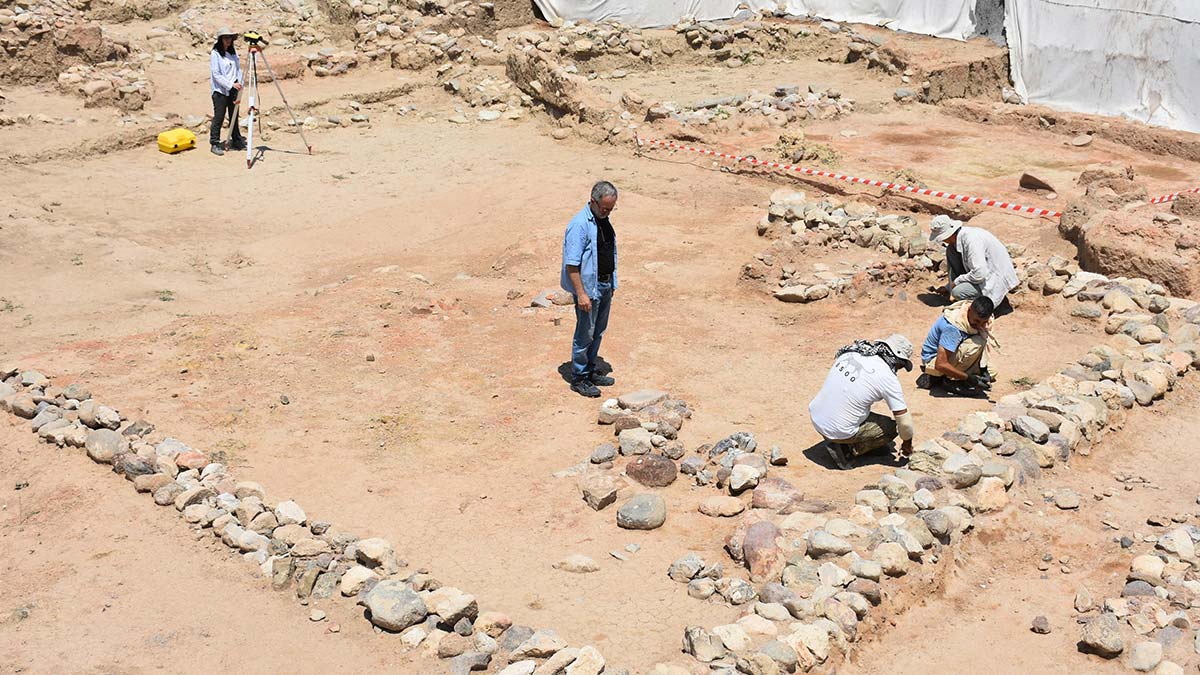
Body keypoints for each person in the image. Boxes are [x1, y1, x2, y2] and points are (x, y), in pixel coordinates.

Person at [808, 334, 916, 470]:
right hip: (838, 429)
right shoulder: (887, 377)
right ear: (898, 360)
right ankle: (847, 449)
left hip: (816, 415)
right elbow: (905, 423)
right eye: (901, 366)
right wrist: (907, 444)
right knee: (892, 427)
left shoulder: (852, 352)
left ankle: (853, 442)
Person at [561, 181, 619, 398]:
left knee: (598, 331)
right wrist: (581, 293)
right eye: (604, 208)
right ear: (593, 201)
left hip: (604, 284)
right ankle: (579, 377)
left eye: (611, 209)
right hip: (588, 289)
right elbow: (572, 264)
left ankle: (591, 370)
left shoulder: (602, 221)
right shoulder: (579, 225)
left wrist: (611, 283)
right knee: (585, 333)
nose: (607, 212)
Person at [928, 215, 1018, 312]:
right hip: (985, 274)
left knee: (958, 292)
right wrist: (948, 286)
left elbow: (979, 274)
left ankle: (981, 306)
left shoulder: (972, 241)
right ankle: (953, 292)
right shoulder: (962, 236)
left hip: (994, 278)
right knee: (951, 251)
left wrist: (957, 282)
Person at [917, 295, 996, 394]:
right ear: (969, 310)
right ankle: (947, 380)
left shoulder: (972, 317)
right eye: (976, 321)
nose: (980, 325)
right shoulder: (953, 328)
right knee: (977, 343)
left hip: (954, 351)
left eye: (983, 322)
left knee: (992, 373)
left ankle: (940, 378)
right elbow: (940, 364)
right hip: (933, 361)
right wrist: (967, 378)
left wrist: (983, 370)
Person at [209, 27, 245, 156]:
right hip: (220, 91)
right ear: (220, 39)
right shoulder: (215, 54)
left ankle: (236, 139)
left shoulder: (233, 53)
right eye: (225, 38)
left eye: (230, 38)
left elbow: (237, 70)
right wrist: (230, 85)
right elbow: (216, 74)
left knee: (234, 115)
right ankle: (214, 142)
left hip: (234, 89)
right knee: (219, 116)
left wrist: (240, 83)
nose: (228, 40)